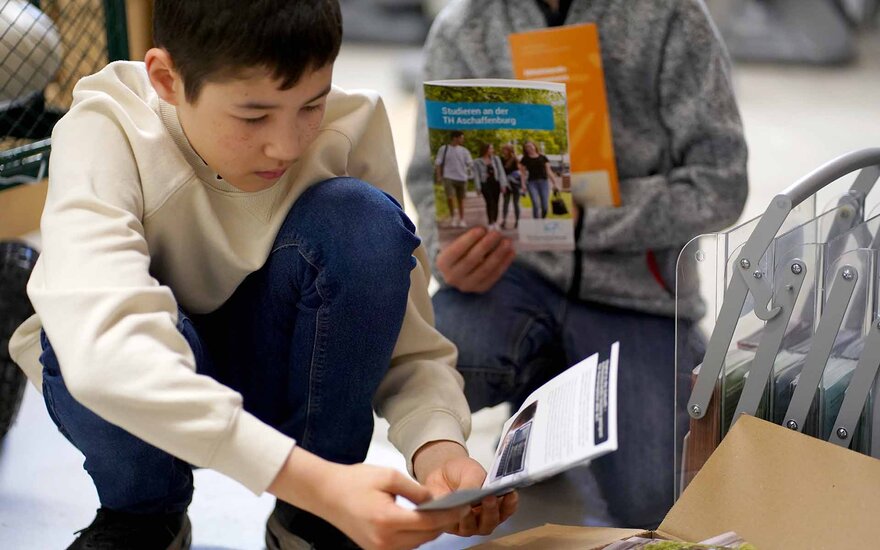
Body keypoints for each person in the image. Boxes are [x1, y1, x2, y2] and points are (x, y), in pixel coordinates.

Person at [8, 1, 517, 549]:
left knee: (363, 221)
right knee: (78, 332)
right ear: (166, 80)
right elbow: (104, 349)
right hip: (150, 389)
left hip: (283, 364)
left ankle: (311, 523)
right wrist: (319, 485)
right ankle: (143, 515)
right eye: (253, 117)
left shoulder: (351, 126)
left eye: (312, 105)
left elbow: (406, 338)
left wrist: (439, 447)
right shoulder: (106, 126)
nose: (288, 145)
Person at [406, 0, 748, 530]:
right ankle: (542, 406)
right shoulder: (465, 25)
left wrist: (588, 219)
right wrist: (450, 256)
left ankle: (560, 428)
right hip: (513, 278)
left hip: (638, 297)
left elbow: (721, 182)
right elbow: (430, 184)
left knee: (656, 503)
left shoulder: (671, 16)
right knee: (427, 361)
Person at [434, 130, 473, 228]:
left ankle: (462, 219)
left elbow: (470, 163)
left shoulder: (464, 151)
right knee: (450, 198)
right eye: (461, 138)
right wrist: (438, 176)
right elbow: (438, 163)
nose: (462, 140)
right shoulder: (444, 149)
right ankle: (453, 217)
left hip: (462, 178)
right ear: (455, 138)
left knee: (461, 200)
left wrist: (469, 171)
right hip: (448, 177)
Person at [519, 140, 559, 219]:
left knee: (545, 206)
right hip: (531, 183)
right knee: (535, 204)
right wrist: (523, 184)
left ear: (534, 146)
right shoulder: (525, 159)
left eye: (531, 146)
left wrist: (555, 183)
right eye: (527, 147)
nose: (529, 148)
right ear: (525, 149)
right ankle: (536, 223)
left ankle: (542, 219)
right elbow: (522, 174)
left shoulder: (543, 157)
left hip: (544, 183)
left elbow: (549, 171)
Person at [472, 143, 506, 229]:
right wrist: (478, 187)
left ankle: (495, 221)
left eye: (492, 148)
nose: (492, 150)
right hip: (485, 184)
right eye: (491, 148)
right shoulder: (477, 161)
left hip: (496, 183)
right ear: (485, 150)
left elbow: (501, 171)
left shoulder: (496, 159)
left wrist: (503, 184)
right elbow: (476, 175)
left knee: (496, 202)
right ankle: (490, 222)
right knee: (489, 202)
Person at [499, 143, 525, 229]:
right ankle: (504, 220)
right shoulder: (501, 159)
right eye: (503, 149)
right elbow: (502, 170)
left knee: (516, 203)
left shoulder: (515, 159)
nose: (504, 151)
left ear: (510, 150)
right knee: (505, 202)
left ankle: (517, 221)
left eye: (506, 149)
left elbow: (520, 170)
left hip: (515, 184)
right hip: (506, 183)